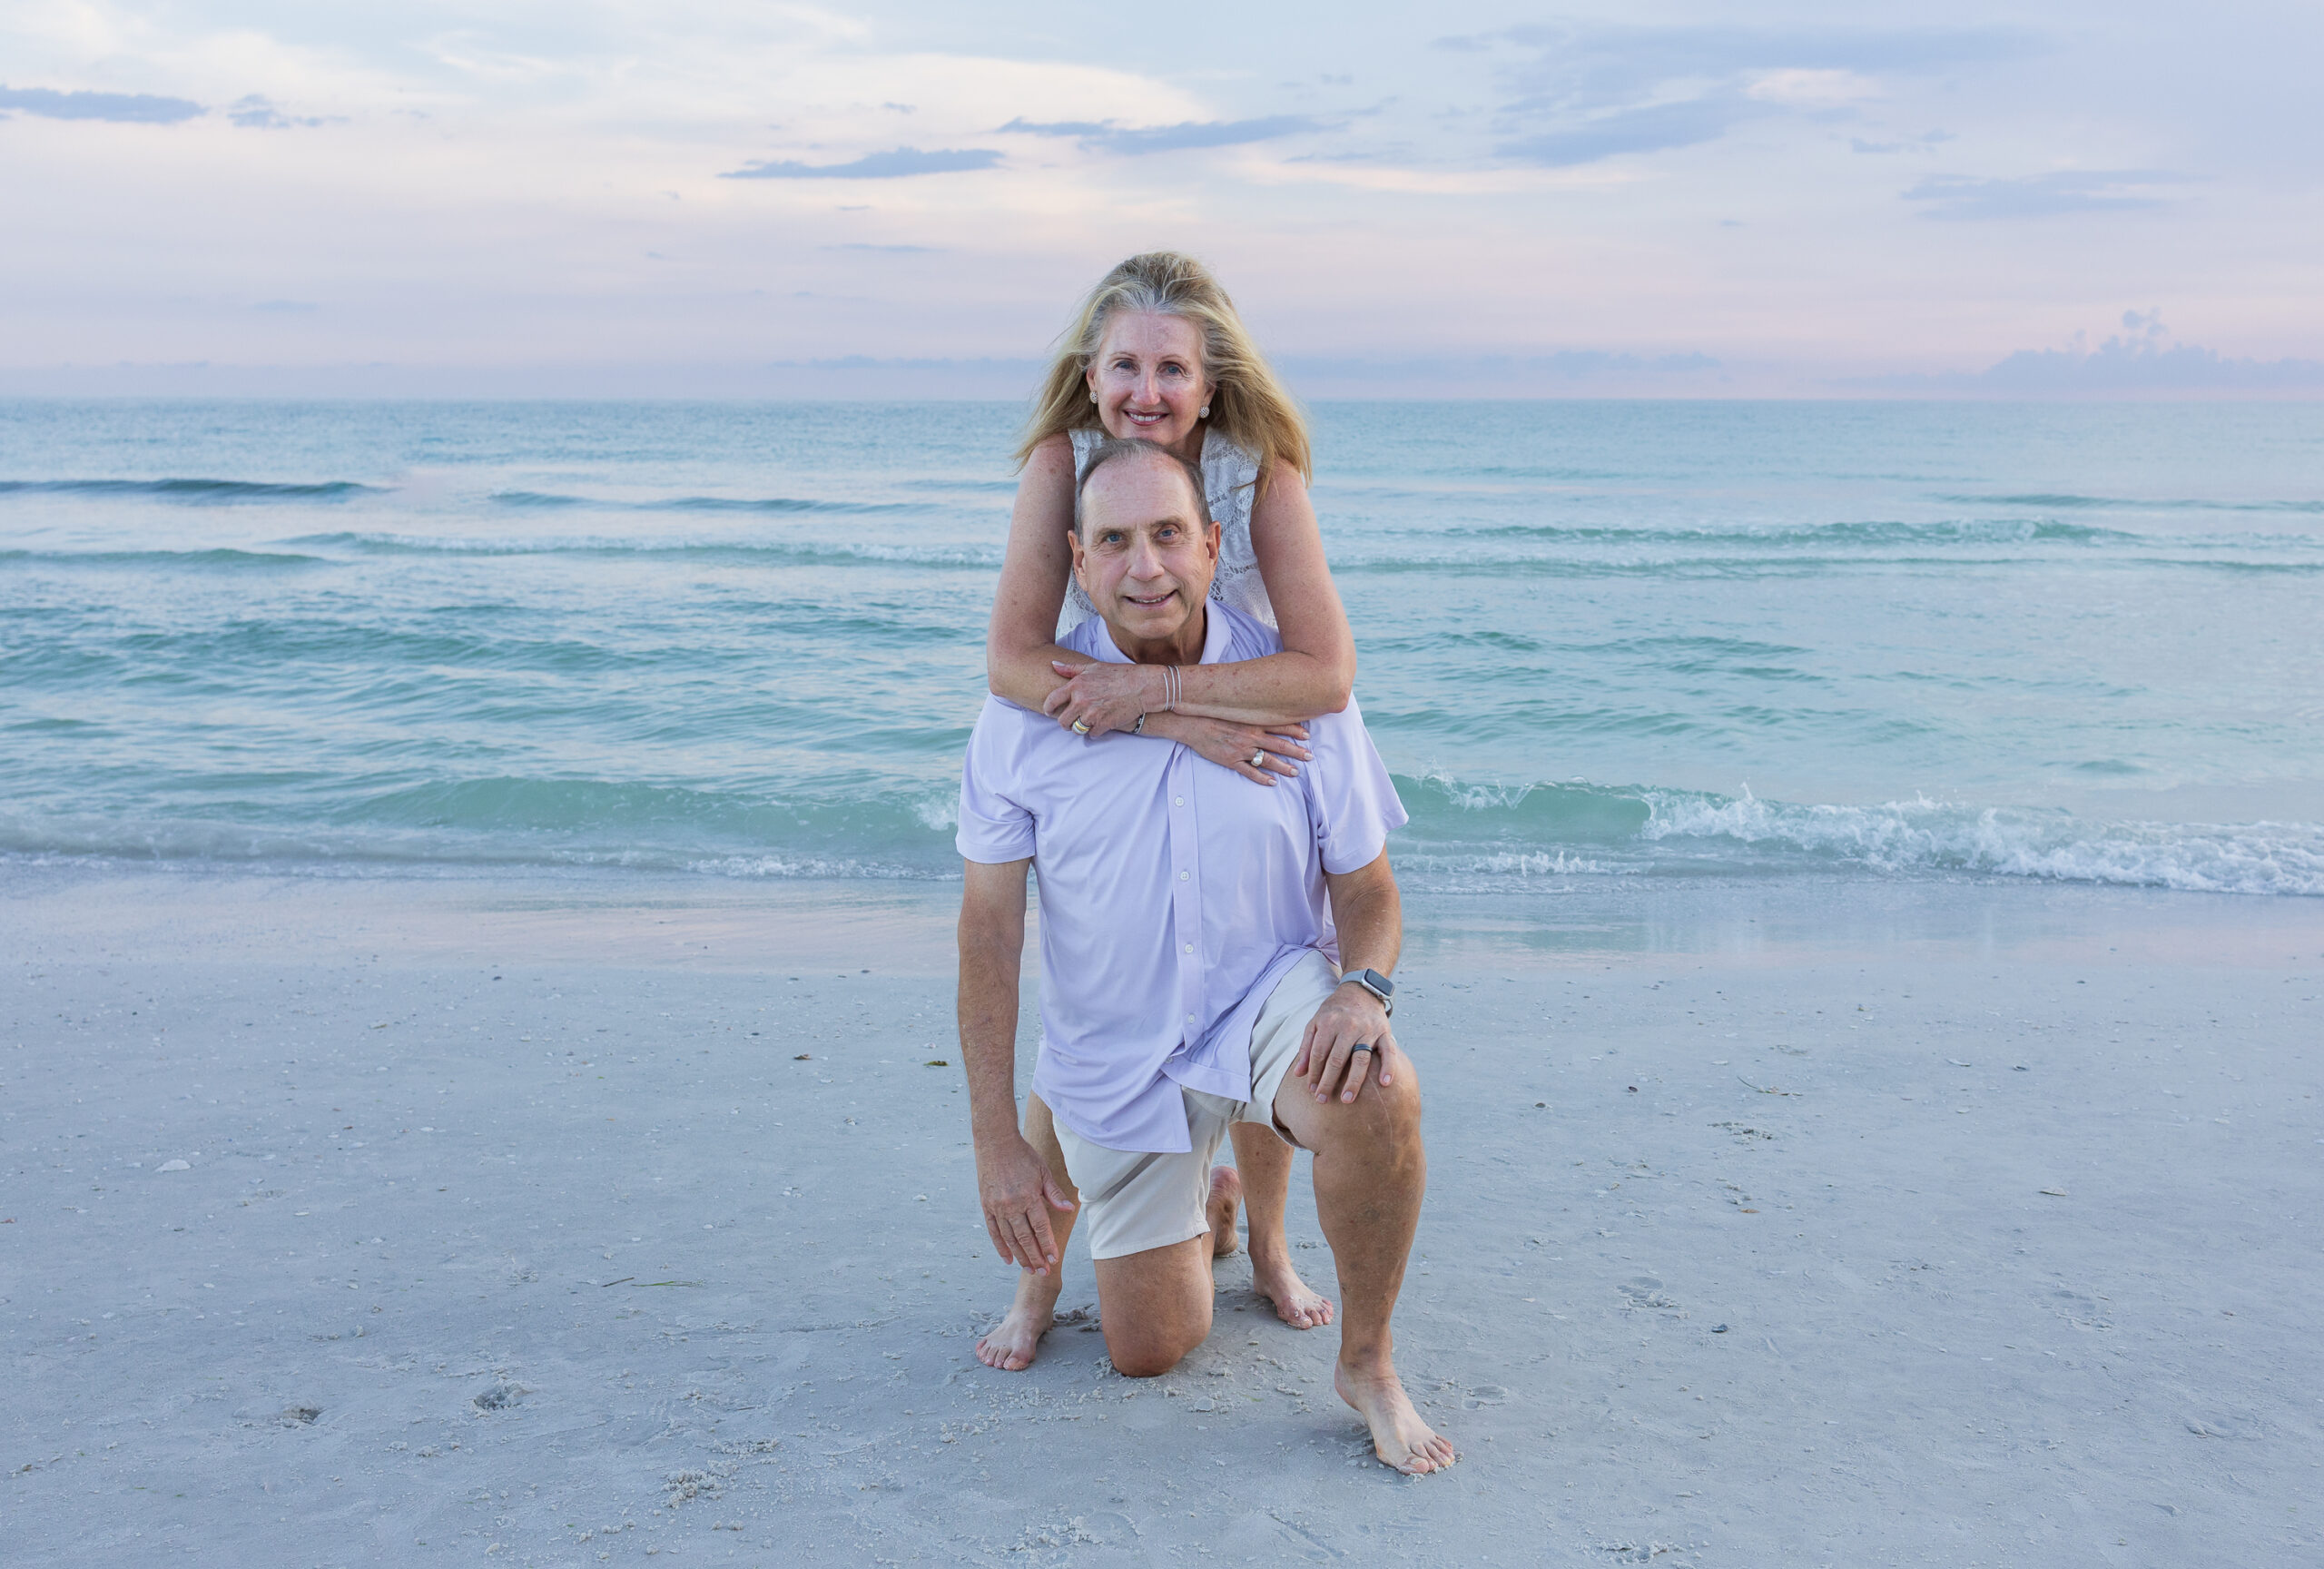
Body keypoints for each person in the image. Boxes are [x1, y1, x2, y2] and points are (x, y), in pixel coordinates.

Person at [955, 438, 1455, 1475]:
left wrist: (1363, 992)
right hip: (1120, 1042)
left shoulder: (1299, 691)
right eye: (1116, 542)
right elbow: (991, 933)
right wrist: (997, 1138)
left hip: (1266, 1010)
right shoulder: (1023, 721)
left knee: (1380, 1086)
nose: (1146, 567)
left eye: (1170, 535)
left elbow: (1366, 891)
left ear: (1213, 542)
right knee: (1148, 1349)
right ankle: (1216, 1205)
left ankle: (1367, 1361)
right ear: (1077, 562)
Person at [978, 252, 1364, 1364]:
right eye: (1124, 366)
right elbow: (1010, 662)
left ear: (1210, 382)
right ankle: (1037, 1286)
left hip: (1259, 751)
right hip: (1141, 729)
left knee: (1270, 979)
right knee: (1091, 1005)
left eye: (1172, 369)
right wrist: (1164, 716)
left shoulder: (1262, 473)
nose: (1146, 391)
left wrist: (1168, 695)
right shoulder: (1061, 463)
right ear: (1089, 377)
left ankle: (1271, 1243)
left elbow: (1324, 672)